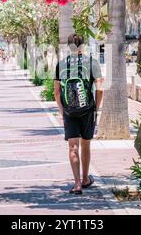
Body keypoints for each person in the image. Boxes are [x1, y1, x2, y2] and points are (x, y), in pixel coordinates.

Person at [54, 34, 104, 195]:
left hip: (70, 111)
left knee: (72, 147)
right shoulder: (91, 62)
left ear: (68, 46)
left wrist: (63, 112)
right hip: (87, 109)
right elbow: (100, 88)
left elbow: (56, 92)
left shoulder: (61, 64)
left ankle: (77, 185)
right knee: (86, 145)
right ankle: (85, 179)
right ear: (83, 46)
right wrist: (95, 107)